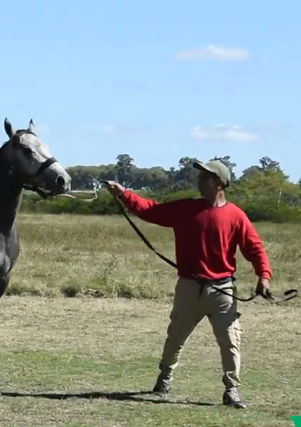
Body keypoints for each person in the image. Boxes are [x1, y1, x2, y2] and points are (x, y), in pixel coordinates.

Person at [102, 159, 273, 409]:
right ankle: (164, 379)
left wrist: (264, 277)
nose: (199, 180)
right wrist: (123, 193)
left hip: (222, 290)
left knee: (230, 341)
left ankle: (232, 390)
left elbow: (254, 248)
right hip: (189, 287)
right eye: (201, 176)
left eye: (206, 176)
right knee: (175, 338)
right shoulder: (185, 209)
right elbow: (150, 210)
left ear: (220, 183)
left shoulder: (236, 216)